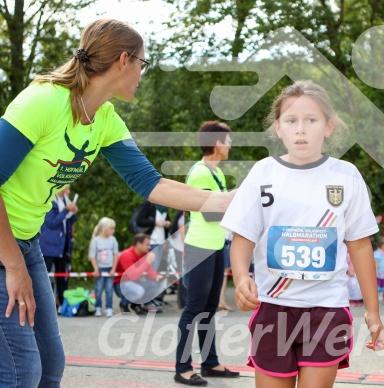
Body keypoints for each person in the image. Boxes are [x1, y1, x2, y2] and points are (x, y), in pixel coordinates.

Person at [0, 19, 232, 386]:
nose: (143, 73)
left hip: (25, 241)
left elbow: (151, 183)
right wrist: (14, 267)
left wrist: (228, 200)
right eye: (143, 63)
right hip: (4, 245)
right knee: (21, 370)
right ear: (124, 60)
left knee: (50, 363)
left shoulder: (105, 118)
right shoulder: (43, 101)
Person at [221, 80, 384, 388]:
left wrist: (373, 312)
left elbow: (360, 246)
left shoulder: (346, 176)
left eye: (311, 120)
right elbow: (243, 235)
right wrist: (242, 276)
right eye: (291, 121)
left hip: (327, 310)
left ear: (328, 126)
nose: (301, 129)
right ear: (278, 128)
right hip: (272, 308)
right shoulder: (262, 173)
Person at [174, 121, 238, 386]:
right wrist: (237, 196)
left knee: (210, 308)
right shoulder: (200, 173)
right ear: (217, 143)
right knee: (194, 308)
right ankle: (182, 367)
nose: (231, 145)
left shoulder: (217, 174)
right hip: (200, 245)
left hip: (215, 244)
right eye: (228, 140)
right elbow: (211, 213)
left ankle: (210, 363)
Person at [40, 185, 78, 309]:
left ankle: (63, 304)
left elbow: (69, 223)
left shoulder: (66, 202)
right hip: (49, 246)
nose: (69, 191)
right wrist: (66, 210)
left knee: (62, 277)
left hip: (63, 246)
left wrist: (73, 213)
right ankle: (46, 305)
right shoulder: (51, 201)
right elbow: (51, 223)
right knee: (46, 277)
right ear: (60, 188)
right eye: (67, 189)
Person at [114, 233, 165, 314]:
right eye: (147, 245)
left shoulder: (145, 254)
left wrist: (158, 277)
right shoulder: (126, 255)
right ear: (138, 244)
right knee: (139, 291)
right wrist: (147, 261)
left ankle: (137, 305)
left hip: (136, 282)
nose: (149, 247)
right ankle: (124, 304)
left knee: (160, 285)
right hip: (121, 285)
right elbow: (133, 276)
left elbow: (150, 273)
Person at [88, 217, 119, 317]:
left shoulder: (113, 240)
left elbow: (115, 254)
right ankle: (98, 307)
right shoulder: (96, 240)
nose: (113, 231)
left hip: (110, 268)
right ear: (104, 228)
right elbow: (92, 256)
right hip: (100, 268)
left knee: (109, 289)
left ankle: (109, 308)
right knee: (98, 288)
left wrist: (114, 268)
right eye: (111, 228)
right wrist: (96, 268)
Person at [218, 231, 234, 312]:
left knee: (224, 273)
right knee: (224, 273)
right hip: (225, 239)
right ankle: (220, 301)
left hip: (226, 239)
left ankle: (221, 300)